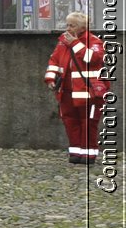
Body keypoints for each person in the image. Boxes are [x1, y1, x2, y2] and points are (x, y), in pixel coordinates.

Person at [45, 11, 107, 165]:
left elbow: (93, 59)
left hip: (88, 92)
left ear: (82, 28)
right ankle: (75, 152)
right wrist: (50, 78)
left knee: (88, 123)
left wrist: (74, 43)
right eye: (67, 25)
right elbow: (54, 60)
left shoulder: (94, 41)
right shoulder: (62, 42)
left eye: (72, 25)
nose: (68, 28)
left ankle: (89, 154)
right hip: (66, 92)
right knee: (70, 121)